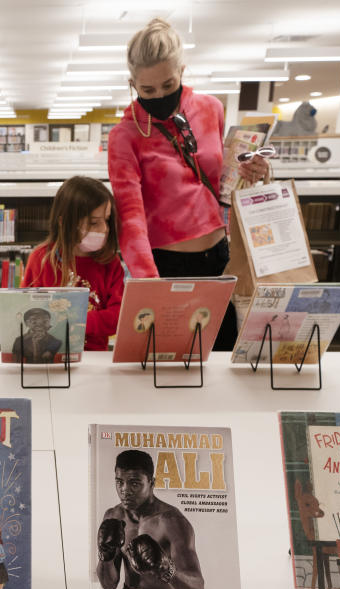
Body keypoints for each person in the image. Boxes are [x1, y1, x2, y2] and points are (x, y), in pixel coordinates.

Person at [108, 18, 270, 348]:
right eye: (147, 90)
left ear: (182, 71)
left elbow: (217, 179)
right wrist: (148, 285)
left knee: (223, 359)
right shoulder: (124, 136)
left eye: (168, 85)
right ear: (132, 84)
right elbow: (130, 216)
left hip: (220, 257)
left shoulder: (211, 109)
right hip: (166, 266)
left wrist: (249, 170)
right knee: (170, 364)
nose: (159, 95)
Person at [20, 176, 124, 350]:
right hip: (49, 357)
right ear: (64, 222)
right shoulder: (41, 259)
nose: (105, 229)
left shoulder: (109, 262)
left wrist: (75, 321)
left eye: (106, 220)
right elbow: (26, 309)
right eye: (93, 223)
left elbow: (119, 315)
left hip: (95, 359)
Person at [95, 450, 204, 589]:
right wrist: (105, 556)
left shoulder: (172, 522)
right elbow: (109, 585)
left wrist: (166, 569)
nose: (125, 490)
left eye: (134, 483)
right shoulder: (113, 516)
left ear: (152, 483)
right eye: (119, 482)